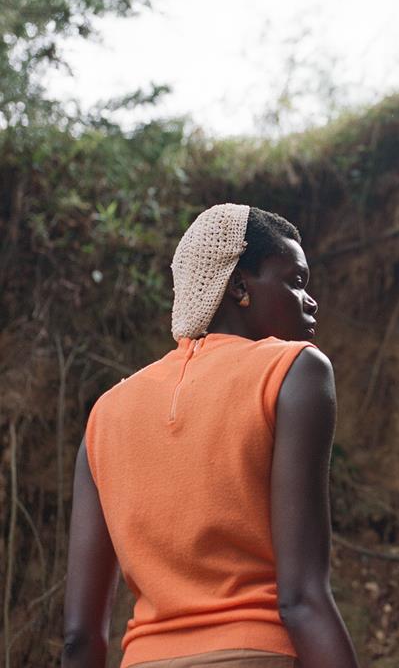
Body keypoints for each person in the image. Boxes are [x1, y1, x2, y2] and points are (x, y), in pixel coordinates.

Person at [62, 204, 359, 668]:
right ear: (239, 285)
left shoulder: (106, 412)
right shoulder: (293, 369)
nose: (311, 300)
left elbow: (80, 636)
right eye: (295, 281)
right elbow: (301, 598)